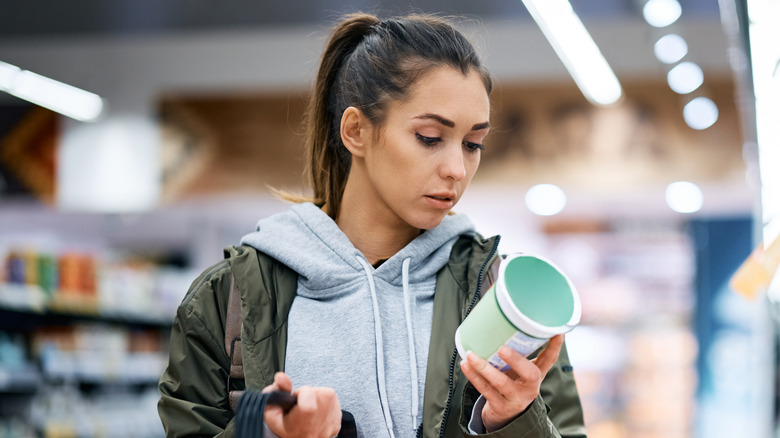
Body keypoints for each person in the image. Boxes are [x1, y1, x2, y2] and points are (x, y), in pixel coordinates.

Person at [157, 12, 587, 438]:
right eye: (430, 138)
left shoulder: (500, 297)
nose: (457, 168)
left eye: (473, 144)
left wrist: (512, 422)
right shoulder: (227, 298)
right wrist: (268, 434)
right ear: (356, 131)